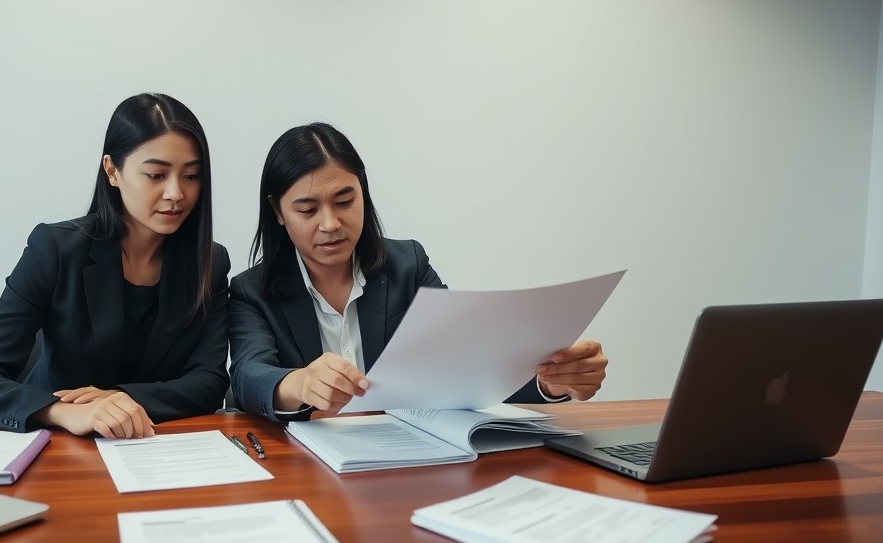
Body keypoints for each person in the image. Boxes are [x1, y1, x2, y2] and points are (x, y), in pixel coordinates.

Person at [228, 122, 607, 422]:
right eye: (308, 210)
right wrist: (300, 383)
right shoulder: (251, 291)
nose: (331, 223)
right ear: (278, 212)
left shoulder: (408, 266)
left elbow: (469, 363)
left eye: (345, 201)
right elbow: (247, 376)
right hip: (306, 467)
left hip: (411, 459)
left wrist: (553, 382)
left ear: (364, 192)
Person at [0, 93, 230, 438]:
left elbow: (209, 380)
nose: (176, 193)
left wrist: (120, 399)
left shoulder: (210, 262)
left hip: (153, 444)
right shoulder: (54, 249)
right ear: (113, 171)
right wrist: (65, 413)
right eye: (156, 175)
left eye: (191, 176)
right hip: (59, 446)